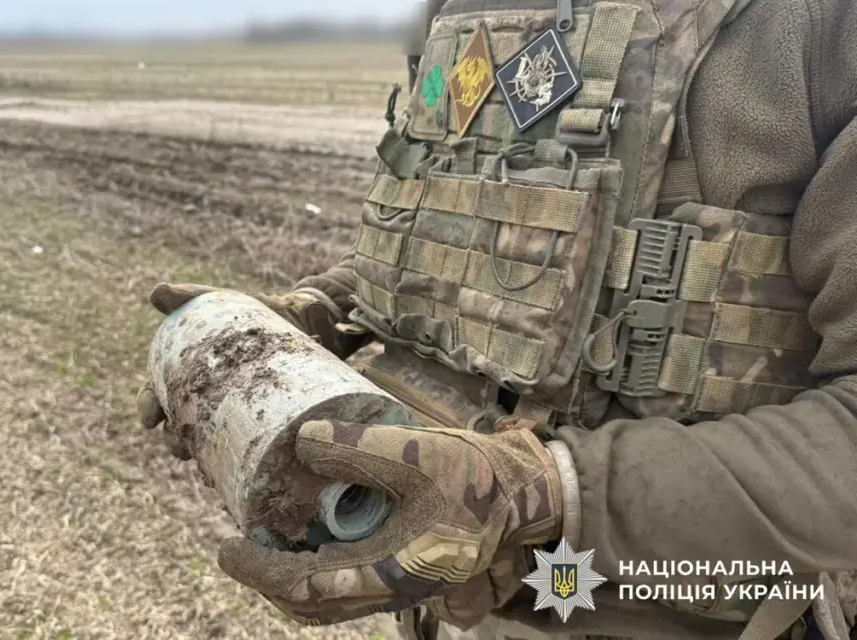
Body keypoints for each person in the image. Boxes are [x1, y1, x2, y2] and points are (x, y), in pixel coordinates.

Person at [136, 0, 857, 637]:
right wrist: (321, 312)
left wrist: (539, 491)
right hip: (460, 604)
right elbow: (465, 233)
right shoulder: (459, 11)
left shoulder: (818, 27)